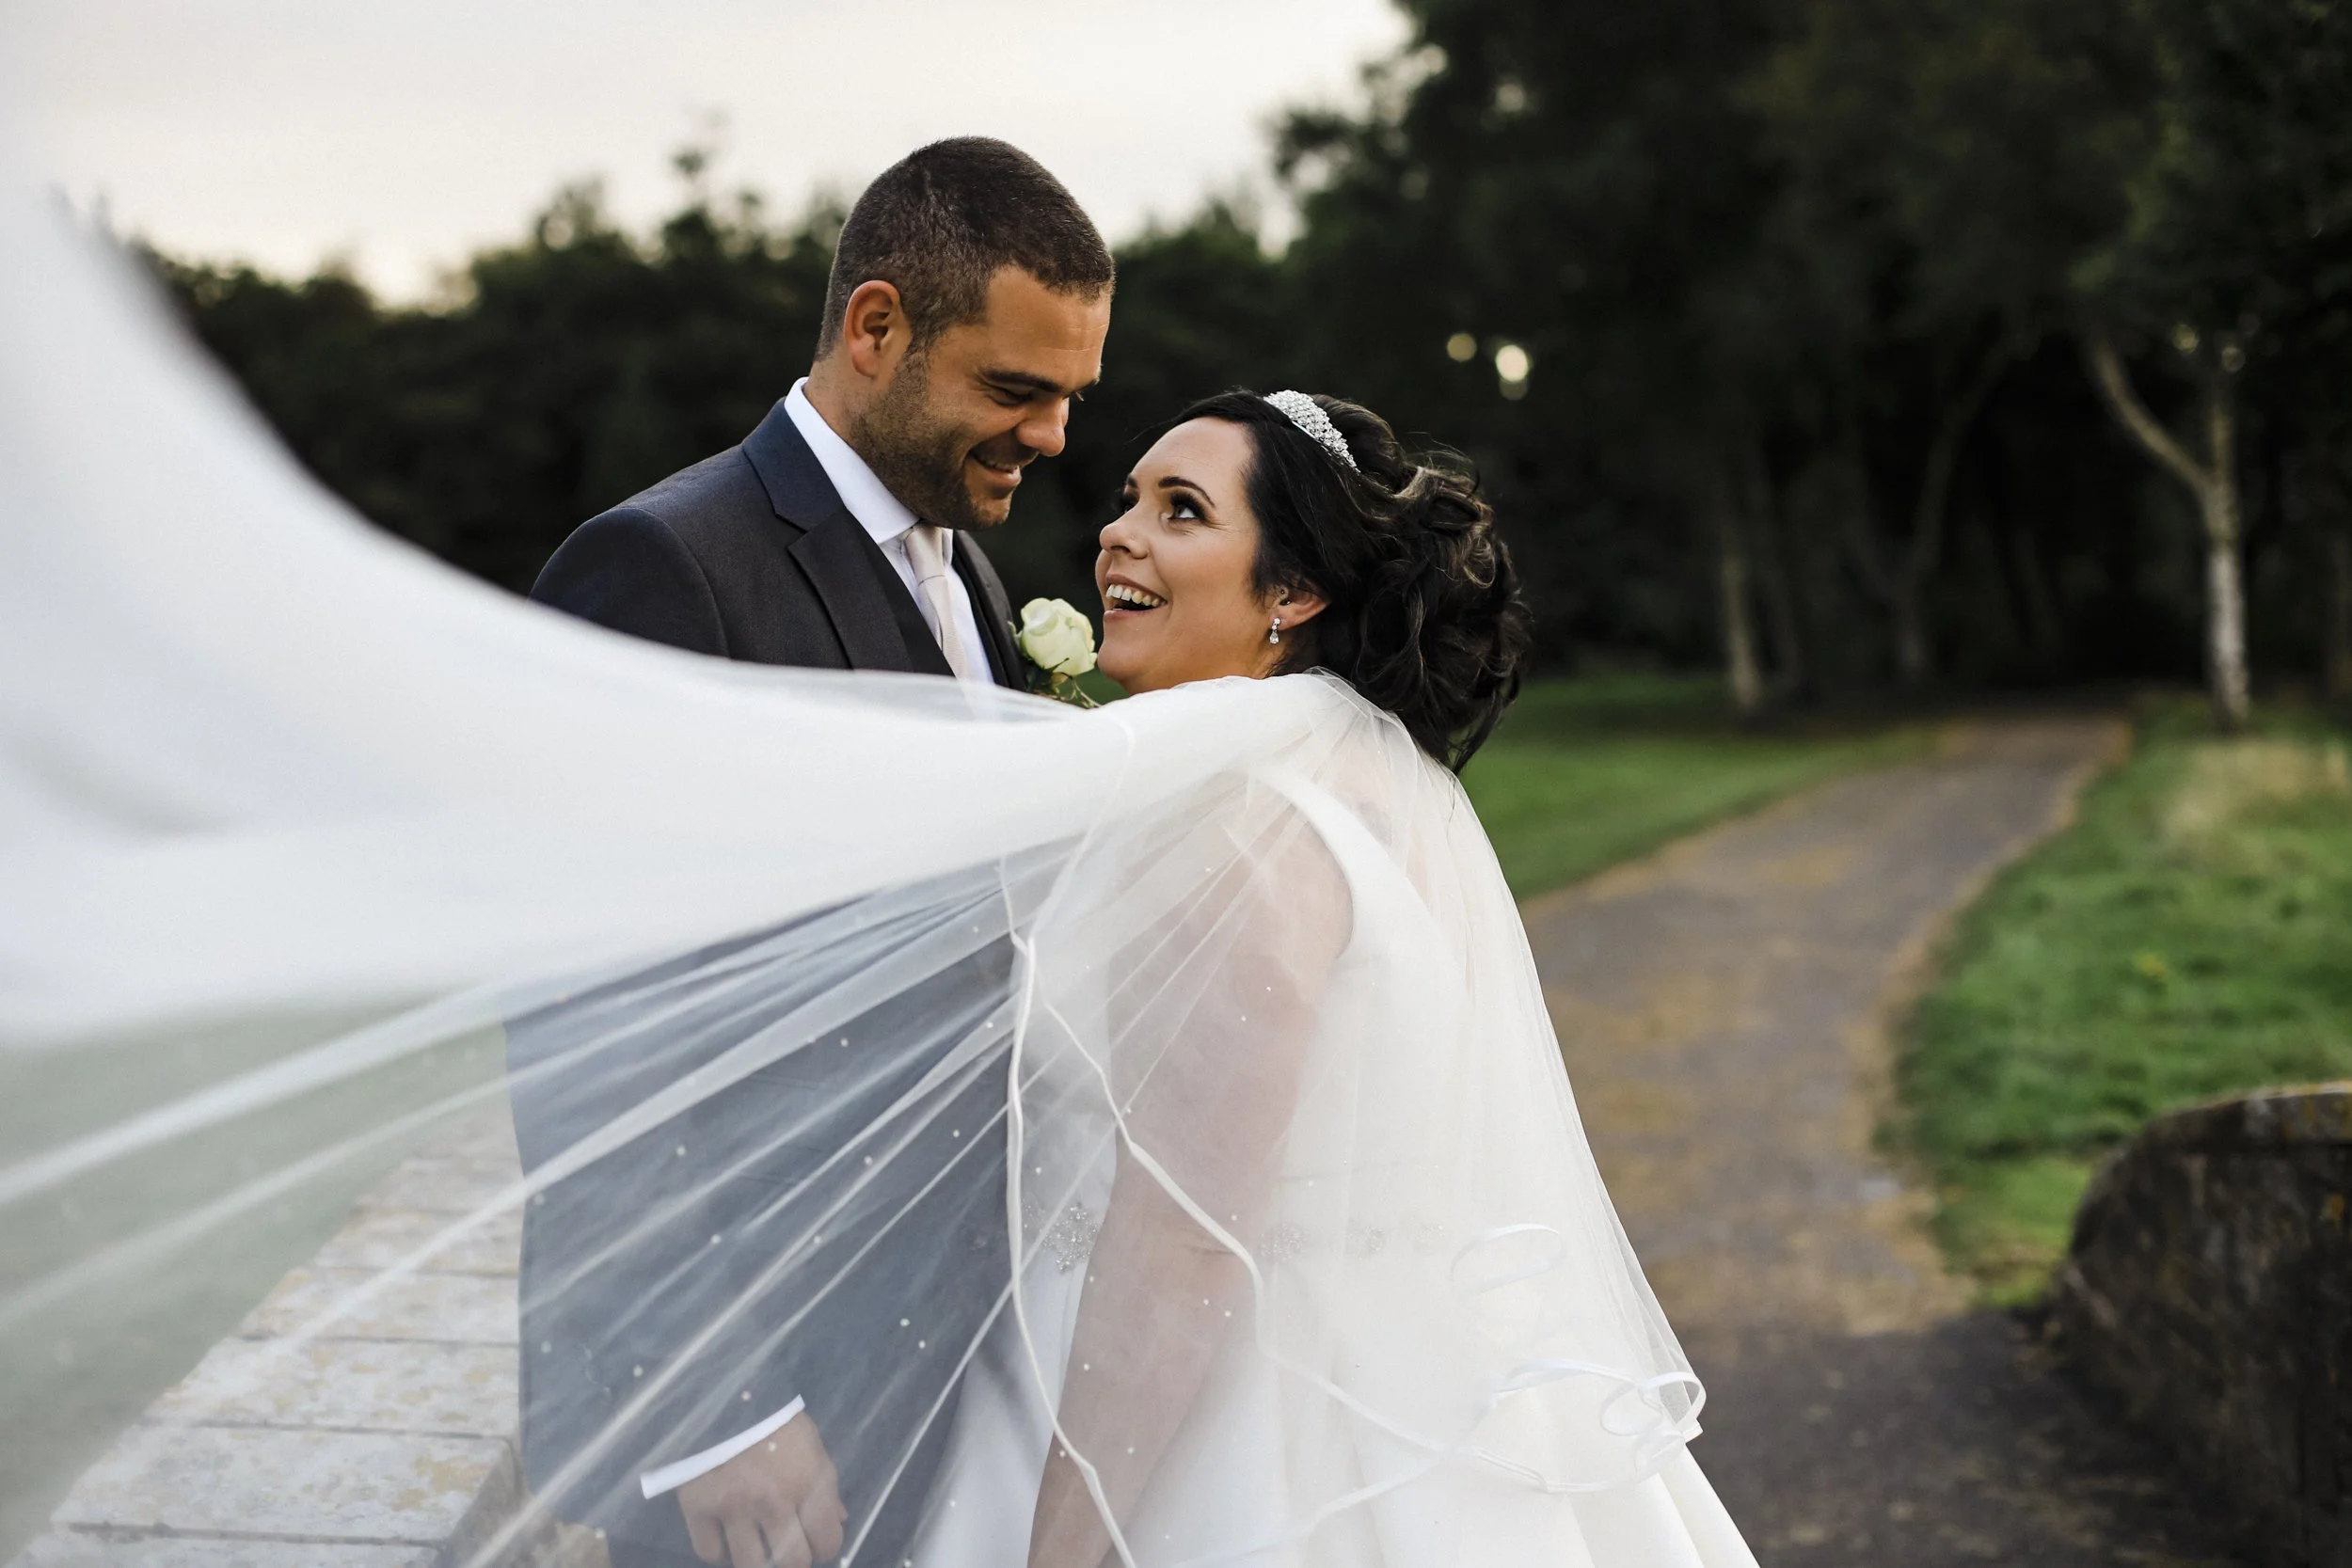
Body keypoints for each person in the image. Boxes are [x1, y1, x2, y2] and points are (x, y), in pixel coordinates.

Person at [511, 136, 1112, 1568]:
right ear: (878, 327)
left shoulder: (965, 571)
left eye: (1071, 398)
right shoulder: (664, 569)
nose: (1051, 438)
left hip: (945, 1342)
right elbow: (588, 1024)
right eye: (1016, 390)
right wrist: (714, 1403)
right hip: (764, 1409)